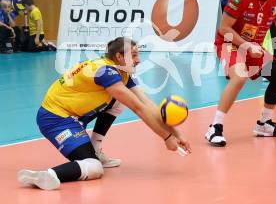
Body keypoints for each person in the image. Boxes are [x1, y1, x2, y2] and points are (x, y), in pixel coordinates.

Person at [18, 37, 191, 190]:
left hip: (75, 115)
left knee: (120, 102)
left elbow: (147, 104)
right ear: (119, 56)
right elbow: (138, 108)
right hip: (55, 119)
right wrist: (166, 138)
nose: (138, 60)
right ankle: (47, 175)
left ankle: (95, 149)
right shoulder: (105, 72)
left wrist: (177, 133)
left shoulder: (120, 71)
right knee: (94, 168)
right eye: (135, 55)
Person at [205, 0, 276, 147]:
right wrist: (246, 45)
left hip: (254, 47)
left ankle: (264, 124)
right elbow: (224, 28)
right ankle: (215, 127)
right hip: (230, 43)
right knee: (240, 76)